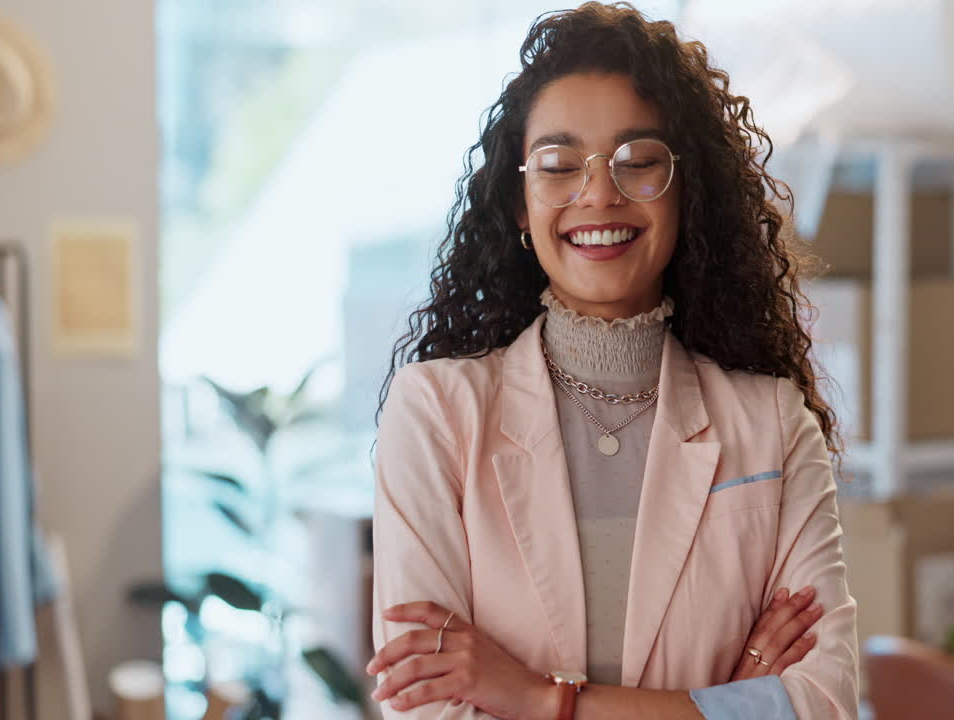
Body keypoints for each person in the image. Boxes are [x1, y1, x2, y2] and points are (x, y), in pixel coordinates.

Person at [365, 3, 858, 718]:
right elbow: (427, 707)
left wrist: (539, 702)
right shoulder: (437, 413)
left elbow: (825, 704)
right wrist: (730, 696)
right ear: (518, 203)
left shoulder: (773, 425)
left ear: (688, 190)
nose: (599, 193)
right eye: (560, 164)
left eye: (640, 161)